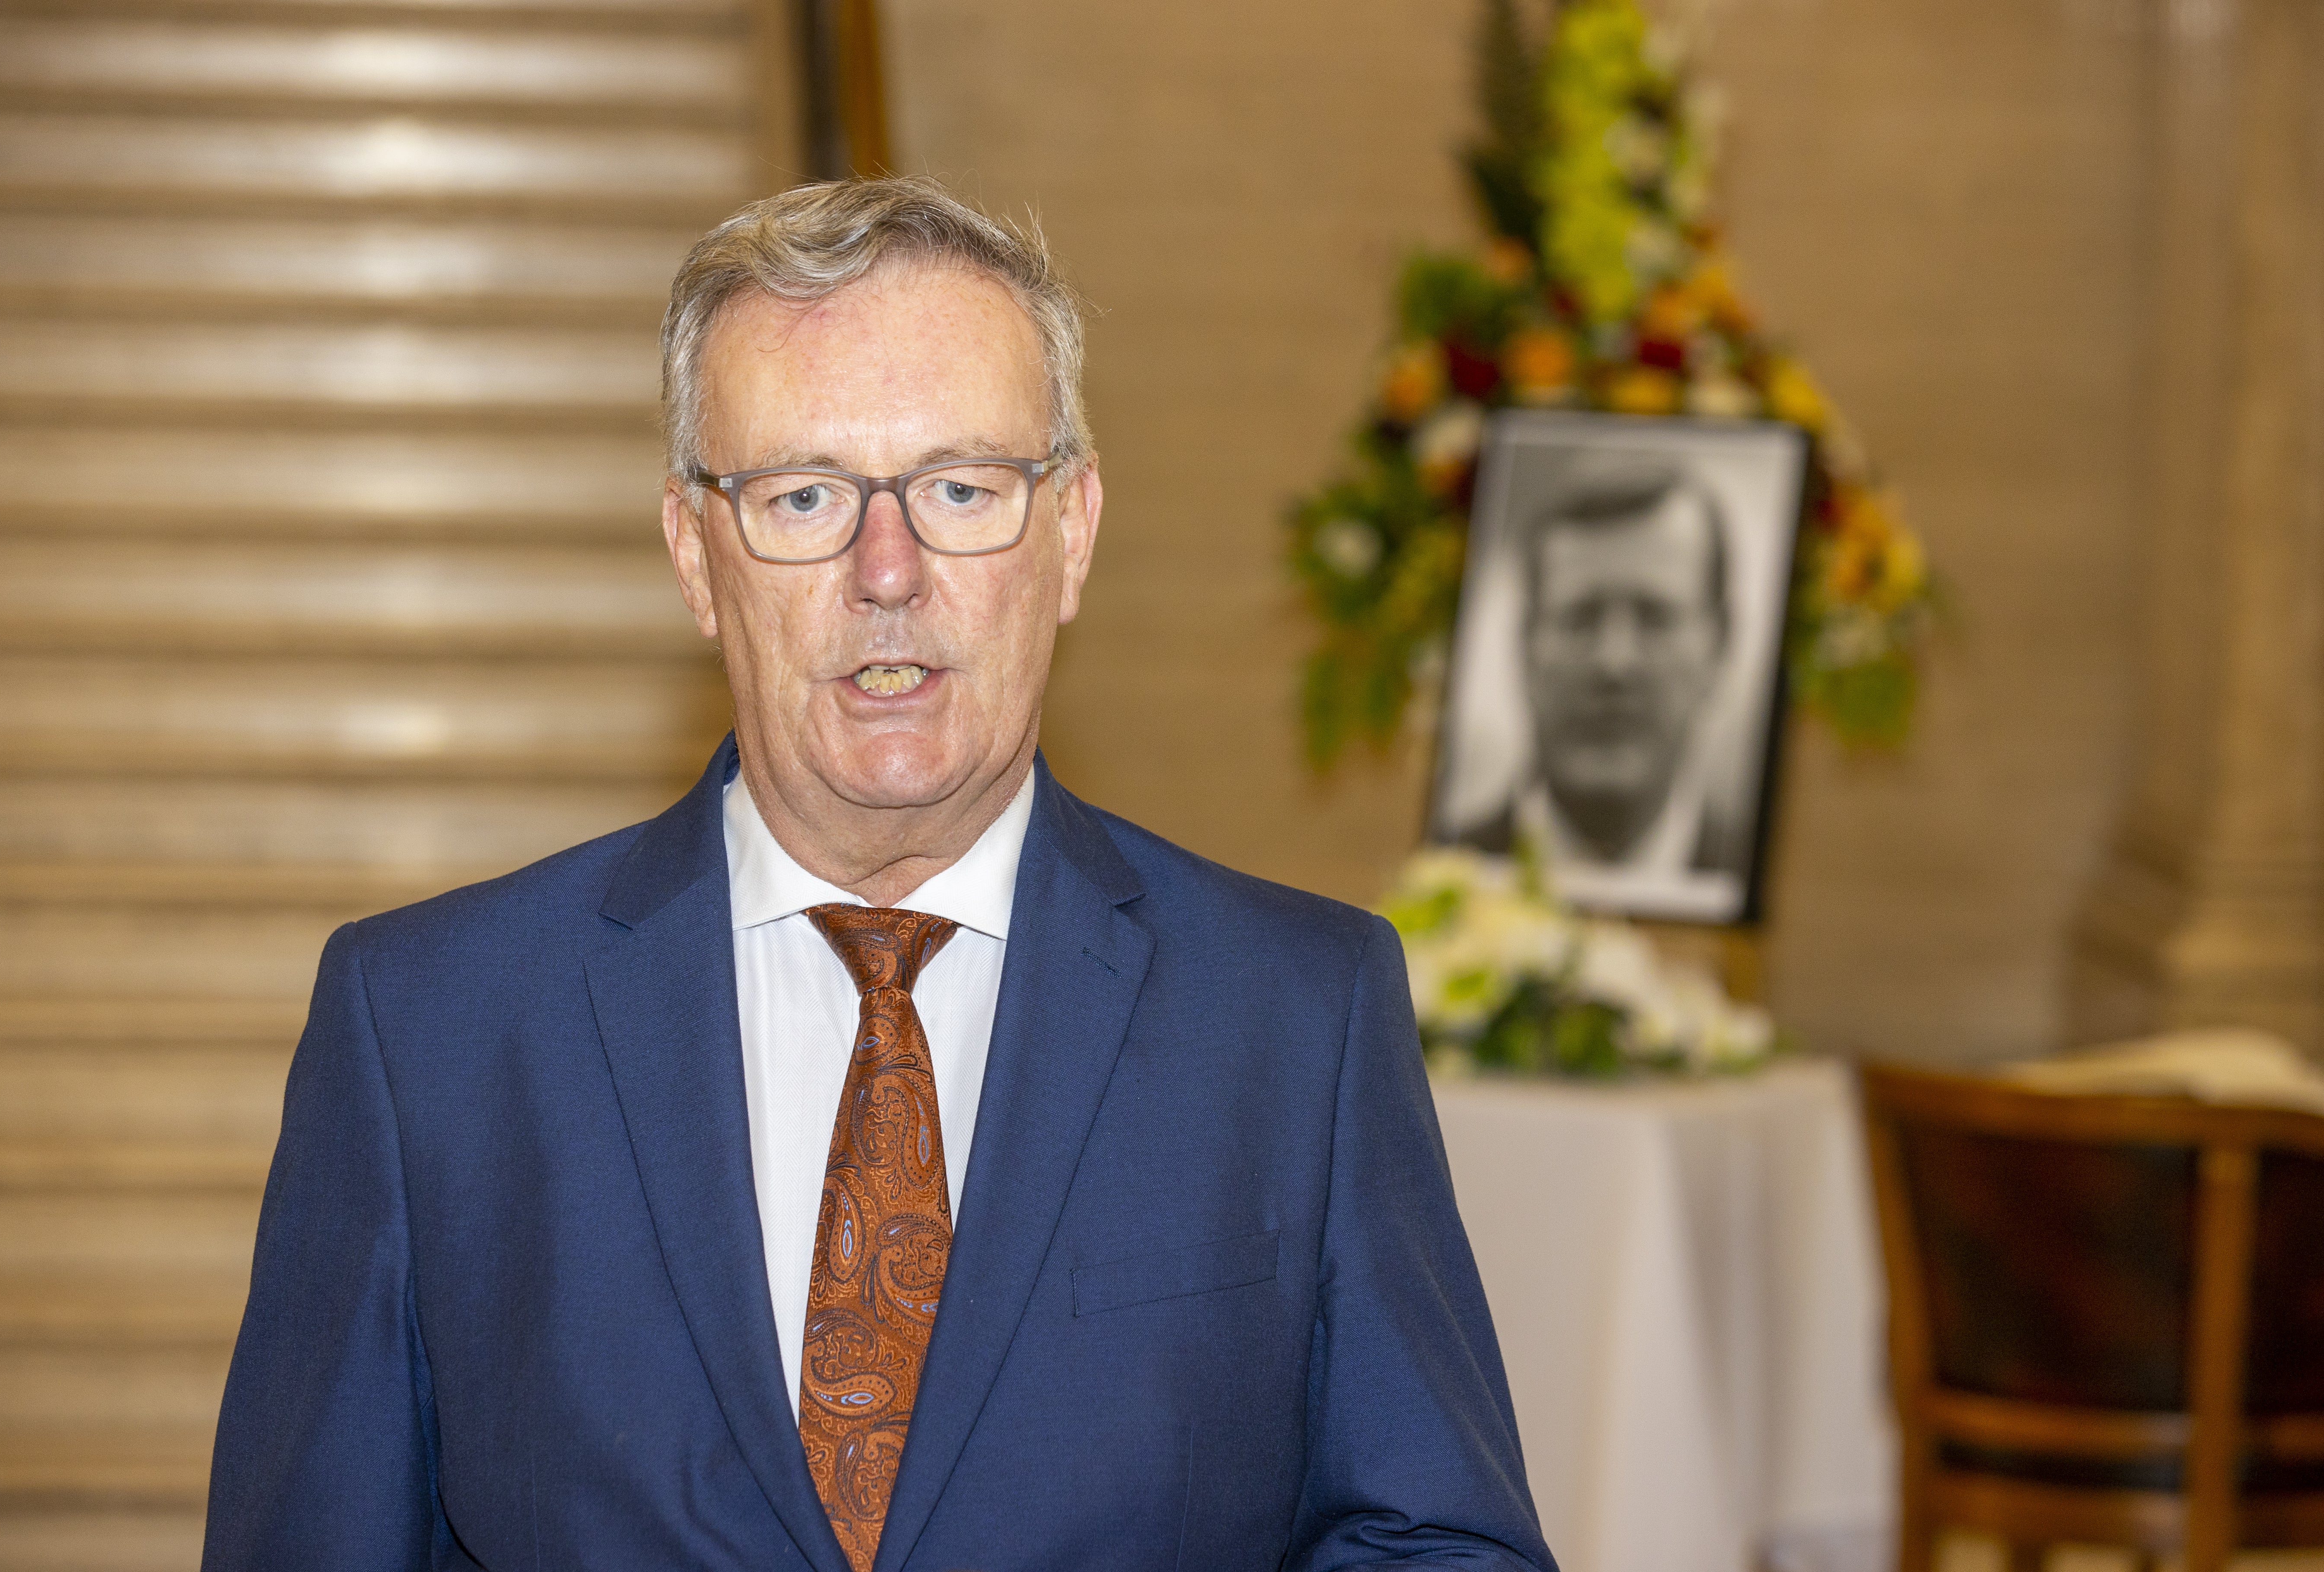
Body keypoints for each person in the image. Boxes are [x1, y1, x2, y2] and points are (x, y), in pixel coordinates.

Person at [202, 177, 1552, 1572]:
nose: (889, 568)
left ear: (1072, 528)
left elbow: (1434, 1540)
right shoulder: (430, 1028)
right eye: (804, 495)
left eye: (961, 487)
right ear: (693, 549)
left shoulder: (1294, 1012)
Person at [1456, 457, 1745, 879]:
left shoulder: (1752, 876)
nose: (1614, 662)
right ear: (1524, 643)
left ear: (1720, 647)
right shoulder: (1449, 864)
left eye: (1655, 618)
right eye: (1580, 617)